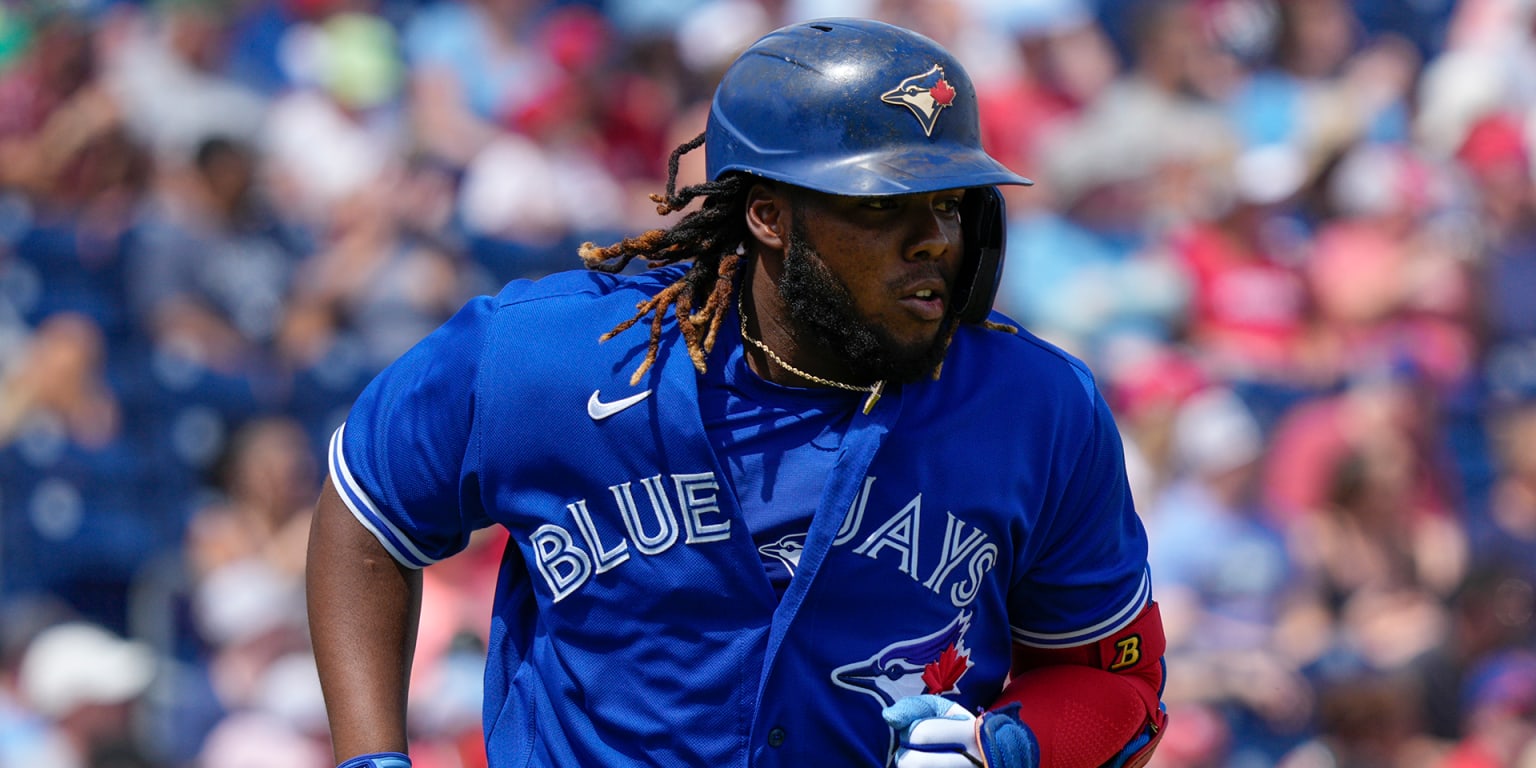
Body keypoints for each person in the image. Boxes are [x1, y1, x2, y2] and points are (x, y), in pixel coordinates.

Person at [306, 17, 1168, 768]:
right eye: (881, 205)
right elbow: (366, 513)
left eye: (948, 203)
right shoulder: (546, 357)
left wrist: (1010, 748)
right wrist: (372, 759)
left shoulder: (1035, 406)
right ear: (767, 214)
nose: (932, 240)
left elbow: (1113, 675)